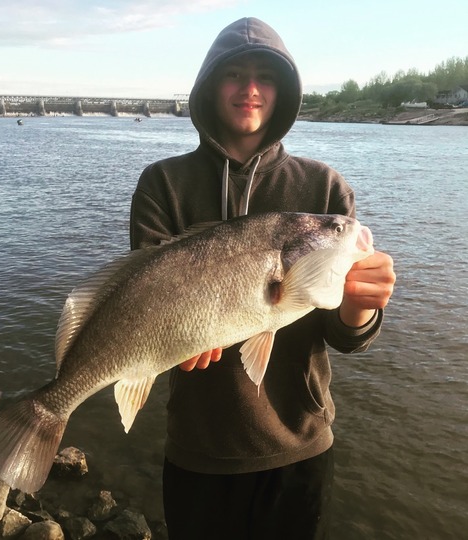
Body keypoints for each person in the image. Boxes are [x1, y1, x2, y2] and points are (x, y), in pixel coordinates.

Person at [130, 17, 395, 540]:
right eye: (234, 73)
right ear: (209, 86)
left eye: (265, 77)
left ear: (284, 92)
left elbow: (344, 337)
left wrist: (360, 307)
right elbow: (145, 301)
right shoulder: (163, 183)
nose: (250, 89)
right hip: (197, 448)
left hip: (299, 446)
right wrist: (178, 336)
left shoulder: (324, 188)